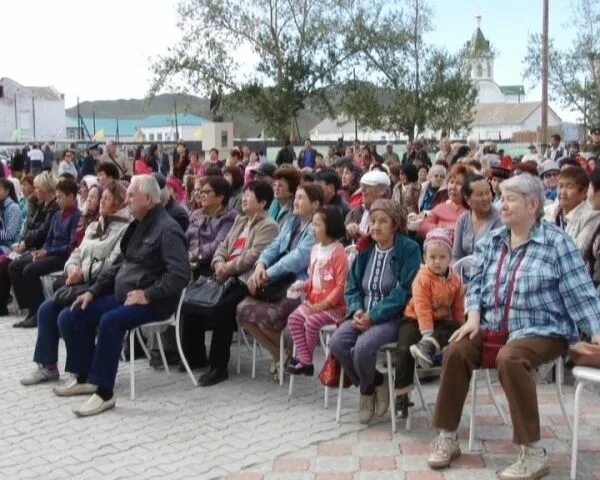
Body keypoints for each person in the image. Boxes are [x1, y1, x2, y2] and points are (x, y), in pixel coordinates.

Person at [427, 173, 600, 479]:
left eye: (509, 199)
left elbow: (580, 293)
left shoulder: (556, 243)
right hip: (493, 325)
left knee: (511, 357)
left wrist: (596, 330)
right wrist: (474, 316)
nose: (500, 205)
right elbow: (476, 281)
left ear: (533, 204)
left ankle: (532, 452)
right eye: (501, 198)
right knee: (457, 350)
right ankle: (447, 436)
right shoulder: (493, 240)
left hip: (543, 329)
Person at [47, 175, 189, 417]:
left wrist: (148, 294)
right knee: (72, 314)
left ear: (148, 198)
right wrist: (93, 291)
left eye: (132, 195)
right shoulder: (138, 224)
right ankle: (85, 376)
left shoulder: (167, 229)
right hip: (125, 294)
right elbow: (118, 267)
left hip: (154, 301)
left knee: (110, 322)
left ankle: (104, 393)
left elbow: (180, 274)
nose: (127, 199)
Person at [19, 181, 129, 386]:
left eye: (106, 198)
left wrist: (84, 273)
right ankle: (48, 366)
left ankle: (80, 370)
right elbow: (76, 253)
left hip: (101, 287)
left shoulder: (124, 230)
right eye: (101, 198)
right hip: (80, 281)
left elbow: (112, 265)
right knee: (46, 309)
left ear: (119, 202)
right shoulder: (95, 226)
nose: (101, 202)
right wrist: (72, 269)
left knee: (68, 315)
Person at [329, 199, 421, 424]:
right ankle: (374, 384)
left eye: (383, 221)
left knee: (363, 347)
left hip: (393, 317)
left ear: (395, 224)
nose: (376, 226)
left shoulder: (409, 249)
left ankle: (365, 391)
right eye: (373, 221)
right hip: (362, 314)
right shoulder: (365, 248)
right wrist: (358, 310)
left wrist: (374, 315)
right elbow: (351, 286)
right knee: (337, 343)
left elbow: (404, 291)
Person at [187, 181, 278, 387]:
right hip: (225, 275)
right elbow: (222, 246)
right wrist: (219, 262)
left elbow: (252, 256)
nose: (244, 198)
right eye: (244, 194)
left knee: (222, 309)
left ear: (263, 202)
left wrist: (226, 269)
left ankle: (218, 367)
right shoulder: (240, 221)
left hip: (246, 281)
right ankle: (195, 357)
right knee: (194, 301)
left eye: (249, 195)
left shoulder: (268, 226)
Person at [237, 184, 324, 378]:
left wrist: (268, 273)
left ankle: (285, 353)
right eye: (296, 197)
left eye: (301, 198)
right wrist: (261, 264)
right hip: (276, 282)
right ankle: (279, 354)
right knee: (242, 310)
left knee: (271, 315)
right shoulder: (291, 220)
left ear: (315, 204)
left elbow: (297, 258)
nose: (296, 201)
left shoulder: (316, 228)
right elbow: (273, 246)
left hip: (299, 284)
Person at [393, 229, 464, 417]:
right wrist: (426, 334)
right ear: (425, 257)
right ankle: (402, 395)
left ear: (450, 257)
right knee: (404, 349)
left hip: (440, 322)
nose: (437, 261)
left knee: (457, 327)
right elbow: (422, 308)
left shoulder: (455, 279)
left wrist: (460, 325)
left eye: (442, 257)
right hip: (415, 319)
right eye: (432, 257)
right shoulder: (422, 278)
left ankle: (429, 346)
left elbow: (458, 306)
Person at [10, 178, 81, 328]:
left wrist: (47, 252)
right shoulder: (57, 215)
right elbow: (49, 238)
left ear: (71, 197)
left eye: (61, 197)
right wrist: (42, 251)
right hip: (50, 252)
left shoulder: (76, 217)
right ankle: (29, 308)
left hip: (62, 256)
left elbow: (70, 246)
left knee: (30, 270)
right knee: (16, 266)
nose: (58, 200)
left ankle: (39, 311)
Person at [286, 206, 348, 375]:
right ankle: (306, 361)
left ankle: (305, 360)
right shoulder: (315, 250)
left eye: (317, 225)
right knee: (294, 319)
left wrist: (324, 305)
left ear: (330, 227)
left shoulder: (338, 252)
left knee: (312, 322)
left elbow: (341, 286)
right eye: (313, 224)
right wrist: (302, 285)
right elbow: (314, 279)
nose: (313, 229)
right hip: (313, 301)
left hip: (333, 307)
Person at [543, 166, 600, 252]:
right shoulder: (548, 211)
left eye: (569, 187)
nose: (563, 192)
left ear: (584, 192)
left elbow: (578, 250)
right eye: (561, 186)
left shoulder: (591, 217)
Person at [453, 174, 502, 262]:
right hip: (462, 271)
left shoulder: (500, 220)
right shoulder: (463, 219)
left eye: (488, 192)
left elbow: (498, 258)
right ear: (468, 200)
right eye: (480, 195)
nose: (485, 198)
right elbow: (456, 255)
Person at [417, 165, 470, 240]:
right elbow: (423, 227)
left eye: (459, 184)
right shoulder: (441, 207)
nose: (453, 187)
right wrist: (439, 229)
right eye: (451, 182)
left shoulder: (472, 210)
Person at [345, 170, 391, 243]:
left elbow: (387, 243)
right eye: (362, 186)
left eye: (368, 186)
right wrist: (347, 230)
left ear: (382, 191)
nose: (362, 190)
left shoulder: (390, 215)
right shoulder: (354, 212)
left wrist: (364, 238)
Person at [72, 184, 102, 250]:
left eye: (93, 197)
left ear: (100, 200)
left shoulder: (100, 221)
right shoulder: (82, 217)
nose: (89, 199)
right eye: (88, 196)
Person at [0, 179, 24, 255]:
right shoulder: (2, 207)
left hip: (11, 247)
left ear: (7, 191)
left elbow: (9, 234)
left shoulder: (13, 208)